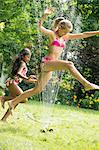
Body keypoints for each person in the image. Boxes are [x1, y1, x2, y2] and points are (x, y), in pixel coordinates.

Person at [3, 8, 99, 119]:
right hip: (47, 63)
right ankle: (86, 84)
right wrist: (44, 15)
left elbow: (83, 34)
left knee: (37, 90)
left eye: (68, 32)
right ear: (60, 28)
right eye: (65, 31)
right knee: (69, 64)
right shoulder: (52, 34)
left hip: (51, 67)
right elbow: (39, 27)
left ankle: (12, 104)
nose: (67, 34)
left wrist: (97, 32)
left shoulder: (65, 37)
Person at [0, 48, 37, 121]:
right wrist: (27, 78)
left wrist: (34, 81)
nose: (29, 59)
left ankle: (4, 119)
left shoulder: (21, 63)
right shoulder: (22, 63)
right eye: (28, 57)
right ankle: (3, 98)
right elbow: (19, 73)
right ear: (23, 56)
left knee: (17, 100)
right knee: (23, 99)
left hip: (11, 83)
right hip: (12, 83)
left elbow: (23, 79)